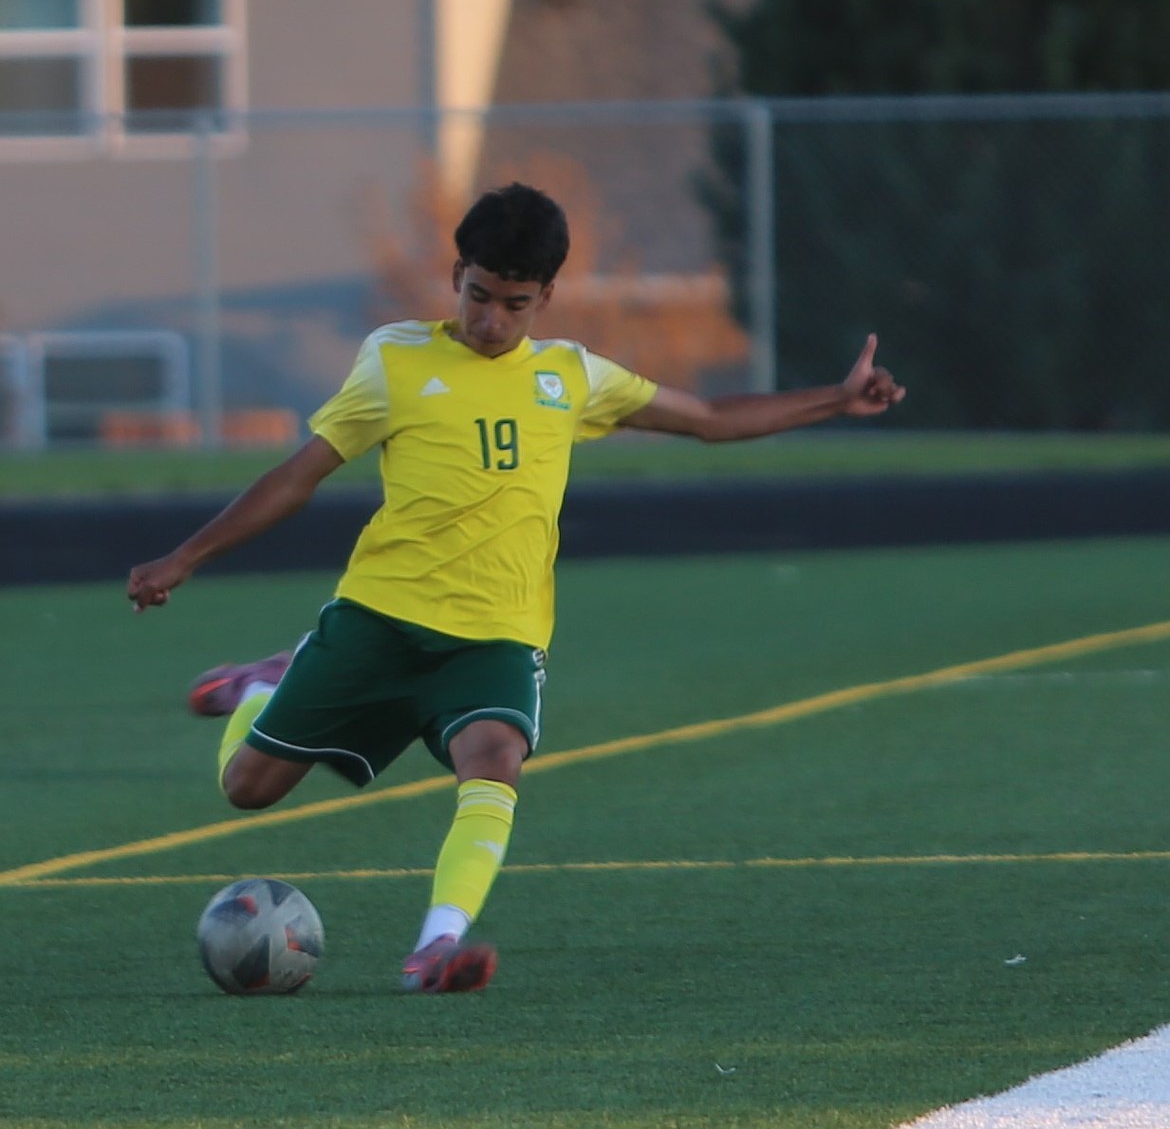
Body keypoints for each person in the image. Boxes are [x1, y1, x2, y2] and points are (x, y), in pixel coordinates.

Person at [127, 182, 905, 995]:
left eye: (515, 304)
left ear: (547, 298)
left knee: (496, 759)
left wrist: (835, 400)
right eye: (478, 296)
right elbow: (298, 476)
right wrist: (186, 556)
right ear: (456, 272)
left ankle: (435, 946)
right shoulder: (394, 360)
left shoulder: (571, 376)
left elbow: (708, 415)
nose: (491, 320)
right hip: (380, 618)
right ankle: (259, 687)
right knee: (247, 789)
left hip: (499, 635)